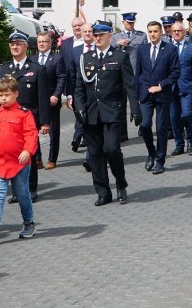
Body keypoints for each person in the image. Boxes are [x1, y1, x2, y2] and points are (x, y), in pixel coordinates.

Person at [73, 20, 136, 206]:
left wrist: (136, 109)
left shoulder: (120, 56)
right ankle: (103, 192)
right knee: (95, 154)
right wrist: (79, 108)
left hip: (112, 111)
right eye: (95, 34)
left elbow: (130, 85)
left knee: (112, 149)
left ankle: (120, 182)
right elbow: (79, 88)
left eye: (101, 34)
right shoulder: (86, 58)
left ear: (110, 36)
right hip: (91, 113)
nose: (98, 38)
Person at [0, 32, 49, 202]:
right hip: (7, 120)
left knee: (29, 155)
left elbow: (42, 98)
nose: (14, 47)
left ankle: (31, 189)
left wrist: (45, 122)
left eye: (18, 44)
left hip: (28, 119)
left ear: (25, 46)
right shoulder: (3, 69)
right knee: (11, 155)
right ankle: (17, 191)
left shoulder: (37, 69)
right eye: (12, 44)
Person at [0, 77, 38, 246]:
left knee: (22, 194)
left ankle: (28, 223)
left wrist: (28, 151)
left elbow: (31, 134)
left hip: (19, 162)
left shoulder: (24, 114)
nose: (3, 98)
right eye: (0, 95)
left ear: (16, 94)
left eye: (7, 94)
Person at [133, 21, 180, 174]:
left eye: (155, 31)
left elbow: (175, 73)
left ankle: (160, 160)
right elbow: (138, 72)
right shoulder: (142, 49)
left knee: (161, 128)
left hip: (162, 94)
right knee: (145, 125)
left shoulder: (170, 49)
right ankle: (151, 152)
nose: (152, 34)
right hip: (145, 94)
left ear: (161, 33)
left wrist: (161, 85)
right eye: (150, 31)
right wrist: (137, 94)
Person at [168, 22, 192, 156]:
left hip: (186, 87)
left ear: (184, 32)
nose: (176, 33)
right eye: (174, 31)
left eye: (179, 31)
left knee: (186, 114)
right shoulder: (168, 48)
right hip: (170, 88)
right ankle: (179, 144)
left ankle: (190, 141)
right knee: (174, 117)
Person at [112, 12, 147, 130]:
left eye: (133, 23)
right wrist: (118, 43)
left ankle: (143, 127)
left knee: (140, 101)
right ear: (123, 22)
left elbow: (145, 54)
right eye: (129, 22)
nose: (131, 25)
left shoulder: (141, 36)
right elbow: (109, 48)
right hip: (120, 75)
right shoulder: (116, 36)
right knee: (120, 103)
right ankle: (122, 132)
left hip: (135, 73)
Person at [35, 32, 66, 169]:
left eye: (44, 42)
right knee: (33, 130)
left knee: (53, 131)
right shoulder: (32, 59)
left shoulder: (57, 59)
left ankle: (52, 159)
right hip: (36, 101)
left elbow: (61, 78)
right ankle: (37, 159)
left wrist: (56, 95)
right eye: (39, 42)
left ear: (50, 43)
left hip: (51, 99)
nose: (41, 44)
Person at [66, 22, 94, 153]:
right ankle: (77, 138)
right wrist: (70, 95)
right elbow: (71, 74)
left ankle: (87, 146)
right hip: (79, 91)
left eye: (90, 31)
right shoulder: (75, 51)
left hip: (95, 91)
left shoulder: (98, 49)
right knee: (80, 115)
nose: (88, 34)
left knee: (92, 120)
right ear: (81, 34)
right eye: (85, 32)